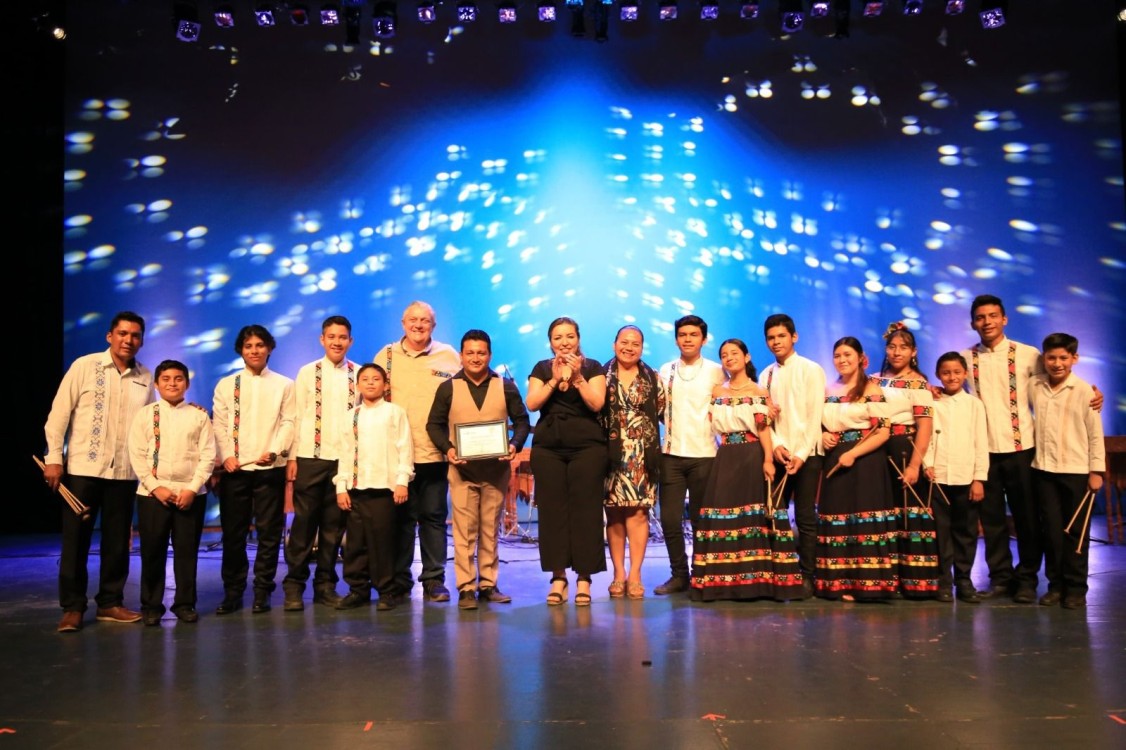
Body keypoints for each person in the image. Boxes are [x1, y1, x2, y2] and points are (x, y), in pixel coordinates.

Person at [961, 295, 1102, 603]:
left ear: (1004, 319)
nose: (987, 322)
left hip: (1024, 448)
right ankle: (1001, 578)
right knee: (994, 520)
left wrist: (1092, 392)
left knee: (1028, 520)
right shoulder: (965, 358)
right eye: (981, 317)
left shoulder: (1028, 355)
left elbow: (1060, 375)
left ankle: (1027, 579)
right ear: (973, 323)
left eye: (993, 315)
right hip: (984, 451)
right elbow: (951, 390)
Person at [43, 311, 153, 632]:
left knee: (118, 542)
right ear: (110, 336)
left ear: (141, 341)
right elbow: (58, 415)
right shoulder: (85, 366)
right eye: (122, 333)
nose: (128, 340)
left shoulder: (146, 377)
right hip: (83, 470)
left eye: (134, 335)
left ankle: (110, 603)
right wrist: (53, 458)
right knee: (75, 540)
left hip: (124, 472)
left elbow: (150, 424)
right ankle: (73, 607)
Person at [426, 330, 531, 610]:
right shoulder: (448, 387)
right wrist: (448, 448)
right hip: (462, 472)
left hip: (496, 471)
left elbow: (522, 421)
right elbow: (433, 425)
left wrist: (514, 444)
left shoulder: (505, 386)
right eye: (470, 353)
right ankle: (466, 588)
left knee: (489, 530)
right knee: (464, 532)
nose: (475, 358)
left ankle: (488, 584)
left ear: (490, 355)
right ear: (461, 355)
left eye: (481, 353)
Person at [691, 339, 802, 601]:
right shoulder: (717, 392)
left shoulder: (760, 391)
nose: (729, 358)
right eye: (724, 355)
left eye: (734, 353)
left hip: (752, 456)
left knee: (754, 519)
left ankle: (757, 583)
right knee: (724, 517)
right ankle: (724, 583)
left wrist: (767, 459)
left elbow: (763, 430)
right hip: (726, 456)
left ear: (747, 357)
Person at [377, 301, 461, 604]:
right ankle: (400, 579)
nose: (418, 325)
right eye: (412, 319)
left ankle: (434, 580)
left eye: (425, 320)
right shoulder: (385, 356)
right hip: (397, 456)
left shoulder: (449, 356)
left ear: (433, 326)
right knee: (400, 520)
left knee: (434, 518)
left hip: (435, 454)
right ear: (402, 323)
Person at [211, 324, 295, 615]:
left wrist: (275, 450)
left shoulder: (284, 384)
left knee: (269, 533)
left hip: (270, 467)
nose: (254, 351)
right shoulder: (226, 384)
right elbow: (219, 424)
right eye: (248, 346)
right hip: (236, 470)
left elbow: (289, 422)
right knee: (233, 534)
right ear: (240, 350)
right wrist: (227, 456)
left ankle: (263, 591)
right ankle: (233, 592)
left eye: (260, 345)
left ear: (269, 348)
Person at [525, 316, 608, 606]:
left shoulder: (594, 367)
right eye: (558, 337)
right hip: (549, 447)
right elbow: (532, 403)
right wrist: (554, 379)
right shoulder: (541, 368)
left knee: (586, 511)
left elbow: (597, 403)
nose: (564, 342)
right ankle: (558, 578)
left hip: (587, 446)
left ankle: (584, 578)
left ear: (578, 338)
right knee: (552, 512)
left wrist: (576, 377)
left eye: (569, 336)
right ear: (550, 342)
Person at [127, 360, 216, 625]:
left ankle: (185, 604)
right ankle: (152, 606)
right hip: (153, 495)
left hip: (191, 495)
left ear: (187, 384)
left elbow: (208, 456)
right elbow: (138, 455)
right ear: (156, 384)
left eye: (178, 378)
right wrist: (156, 488)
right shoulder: (145, 415)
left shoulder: (199, 416)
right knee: (152, 551)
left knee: (186, 552)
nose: (172, 383)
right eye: (165, 379)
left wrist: (192, 488)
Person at [282, 315, 358, 611]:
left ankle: (325, 585)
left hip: (344, 462)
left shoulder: (359, 373)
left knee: (334, 527)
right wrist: (291, 457)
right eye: (331, 336)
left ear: (350, 341)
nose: (337, 342)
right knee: (303, 525)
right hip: (310, 458)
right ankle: (294, 585)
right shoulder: (307, 372)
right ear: (322, 339)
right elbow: (297, 416)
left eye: (343, 337)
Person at [817, 337, 897, 601]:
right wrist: (823, 435)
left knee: (863, 519)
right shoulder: (827, 389)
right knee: (839, 518)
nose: (842, 360)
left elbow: (883, 432)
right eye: (837, 355)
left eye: (847, 354)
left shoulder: (872, 389)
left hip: (865, 459)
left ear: (860, 357)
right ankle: (840, 582)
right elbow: (820, 424)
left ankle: (868, 584)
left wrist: (853, 453)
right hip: (835, 459)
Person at [1029, 333, 1105, 610]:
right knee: (1051, 532)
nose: (1057, 363)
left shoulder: (1086, 391)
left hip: (1076, 472)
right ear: (1044, 359)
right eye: (1051, 357)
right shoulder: (1035, 386)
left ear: (1075, 359)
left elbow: (1095, 435)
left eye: (1063, 358)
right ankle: (1055, 585)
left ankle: (1075, 588)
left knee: (1076, 534)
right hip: (1044, 470)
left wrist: (1097, 471)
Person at [654, 315, 725, 595]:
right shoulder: (666, 369)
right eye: (682, 334)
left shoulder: (717, 371)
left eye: (693, 334)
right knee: (670, 519)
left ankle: (700, 574)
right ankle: (678, 575)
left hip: (705, 455)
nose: (687, 339)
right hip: (671, 454)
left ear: (704, 339)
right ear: (676, 339)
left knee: (700, 520)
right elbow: (660, 408)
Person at [334, 364, 414, 611]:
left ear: (385, 385)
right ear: (357, 385)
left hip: (384, 489)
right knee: (355, 544)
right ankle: (358, 589)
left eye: (376, 379)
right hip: (357, 490)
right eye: (365, 379)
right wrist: (342, 487)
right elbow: (345, 453)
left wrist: (402, 481)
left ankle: (387, 590)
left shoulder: (394, 412)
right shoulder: (351, 415)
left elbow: (405, 448)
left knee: (383, 543)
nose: (370, 383)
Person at [759, 313, 826, 599]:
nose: (776, 342)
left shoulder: (811, 369)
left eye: (781, 336)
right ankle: (781, 572)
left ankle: (807, 574)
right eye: (771, 338)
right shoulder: (766, 374)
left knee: (806, 517)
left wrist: (800, 453)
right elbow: (764, 420)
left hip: (808, 454)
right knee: (776, 514)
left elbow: (814, 417)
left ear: (794, 337)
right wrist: (775, 446)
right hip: (779, 454)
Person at [874, 322, 940, 599]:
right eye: (892, 347)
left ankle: (916, 581)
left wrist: (915, 465)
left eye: (903, 347)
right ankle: (886, 578)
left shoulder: (919, 383)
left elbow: (924, 425)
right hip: (878, 449)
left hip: (905, 448)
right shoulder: (874, 380)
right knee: (884, 514)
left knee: (909, 513)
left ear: (913, 351)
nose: (897, 352)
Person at [600, 325, 666, 600]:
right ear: (614, 345)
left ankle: (636, 573)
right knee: (614, 514)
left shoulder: (653, 378)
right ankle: (618, 573)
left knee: (638, 514)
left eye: (636, 343)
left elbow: (661, 410)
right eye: (624, 342)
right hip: (609, 452)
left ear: (642, 348)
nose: (629, 347)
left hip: (642, 453)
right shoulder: (600, 375)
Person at [925, 353, 990, 604]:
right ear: (938, 375)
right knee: (941, 531)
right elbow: (928, 437)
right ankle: (943, 580)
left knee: (965, 531)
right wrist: (928, 465)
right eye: (945, 372)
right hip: (939, 478)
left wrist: (978, 478)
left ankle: (964, 579)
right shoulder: (933, 402)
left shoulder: (975, 405)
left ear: (965, 374)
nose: (951, 377)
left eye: (956, 372)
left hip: (966, 478)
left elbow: (980, 443)